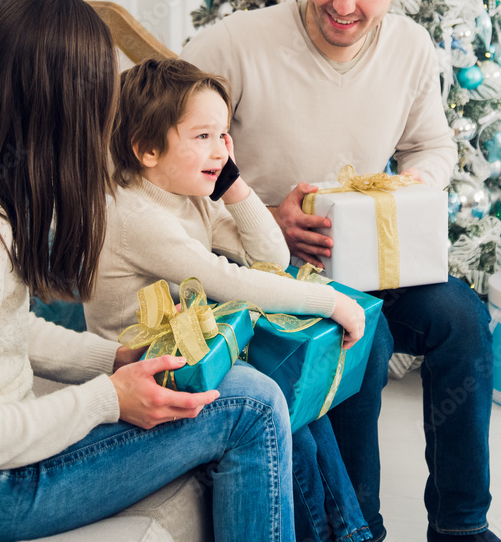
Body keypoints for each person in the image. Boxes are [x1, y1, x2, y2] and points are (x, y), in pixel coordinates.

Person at [0, 0, 296, 542]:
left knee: (239, 386)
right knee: (251, 403)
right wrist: (108, 399)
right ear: (64, 108)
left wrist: (113, 359)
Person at [182, 0, 501, 542]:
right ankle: (361, 529)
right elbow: (166, 169)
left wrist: (411, 186)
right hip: (267, 271)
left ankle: (462, 526)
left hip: (370, 260)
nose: (344, 4)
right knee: (365, 338)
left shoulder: (411, 48)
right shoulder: (232, 46)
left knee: (463, 320)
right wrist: (260, 219)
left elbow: (432, 145)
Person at [85, 56, 373, 542]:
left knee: (297, 403)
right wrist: (328, 302)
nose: (219, 149)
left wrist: (232, 182)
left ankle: (351, 533)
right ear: (147, 149)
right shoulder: (136, 216)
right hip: (149, 374)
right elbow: (229, 281)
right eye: (202, 136)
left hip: (196, 354)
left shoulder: (189, 193)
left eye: (224, 135)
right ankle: (347, 534)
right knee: (277, 399)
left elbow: (271, 256)